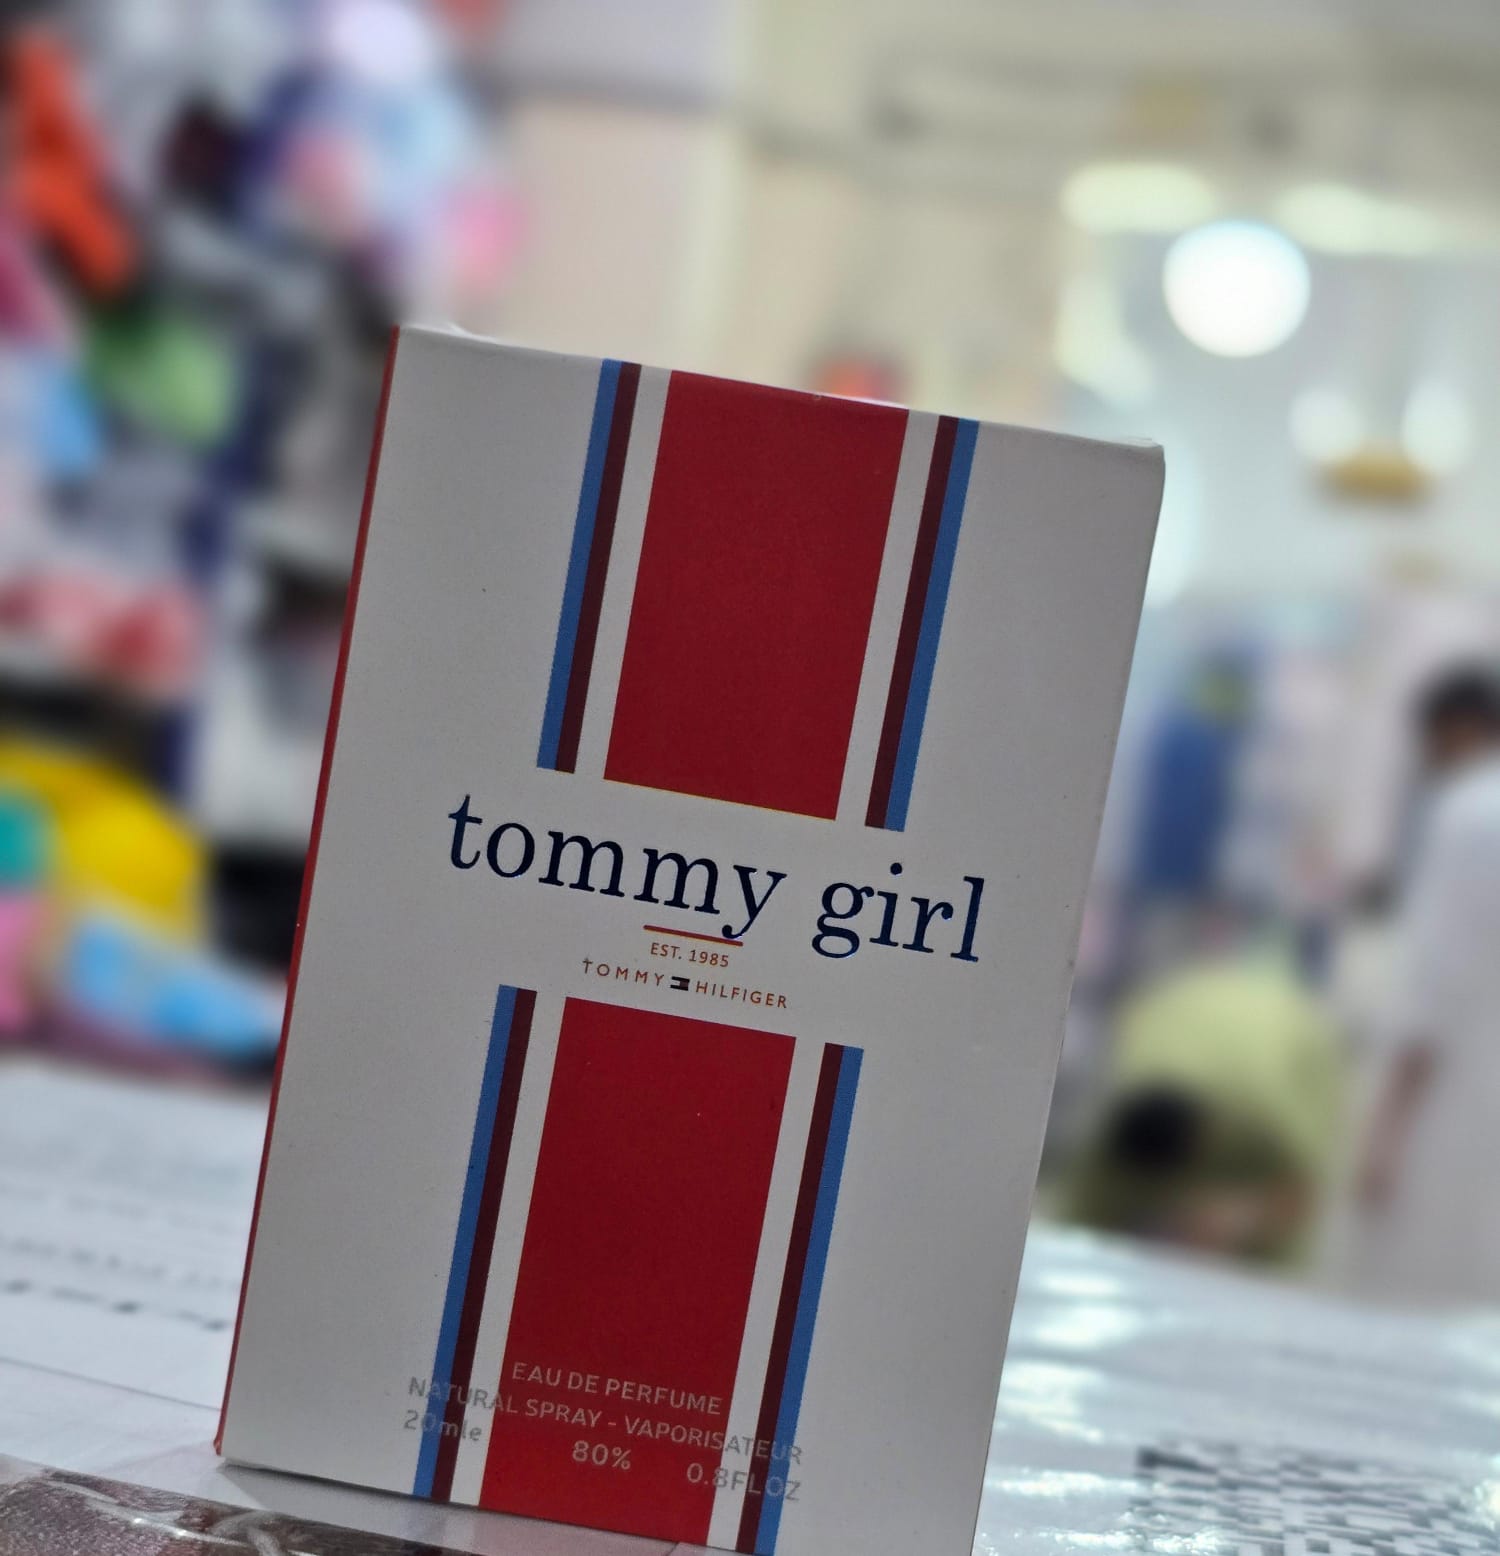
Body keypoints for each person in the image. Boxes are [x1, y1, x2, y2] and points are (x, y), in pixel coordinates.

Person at [1357, 665, 1500, 1302]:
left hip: (1449, 1100)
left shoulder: (1467, 817)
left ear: (1457, 729)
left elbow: (1435, 985)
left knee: (1413, 1289)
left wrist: (1387, 1128)